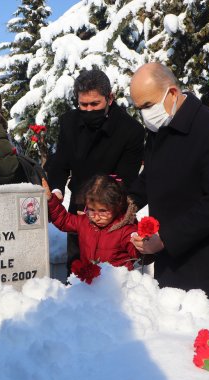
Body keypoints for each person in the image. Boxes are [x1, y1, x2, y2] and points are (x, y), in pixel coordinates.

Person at [128, 63, 209, 314]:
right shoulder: (159, 130)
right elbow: (150, 177)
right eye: (139, 109)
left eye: (148, 106)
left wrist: (167, 238)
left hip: (208, 267)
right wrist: (126, 203)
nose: (145, 115)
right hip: (169, 264)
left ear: (171, 93)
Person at [46, 69, 145, 277]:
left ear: (109, 98)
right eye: (83, 105)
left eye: (95, 104)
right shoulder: (69, 122)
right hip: (80, 207)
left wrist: (101, 205)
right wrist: (56, 189)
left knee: (112, 272)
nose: (89, 110)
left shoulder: (130, 130)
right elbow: (60, 161)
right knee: (76, 267)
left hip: (112, 210)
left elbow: (126, 177)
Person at [46, 174, 140, 271]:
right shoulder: (85, 222)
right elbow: (64, 220)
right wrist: (51, 201)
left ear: (117, 206)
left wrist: (143, 242)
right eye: (91, 209)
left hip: (115, 282)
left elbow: (137, 252)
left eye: (103, 211)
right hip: (90, 279)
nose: (96, 217)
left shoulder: (125, 229)